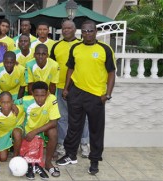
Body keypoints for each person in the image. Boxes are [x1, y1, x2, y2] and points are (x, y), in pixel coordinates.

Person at [56, 20, 116, 176]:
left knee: (96, 129)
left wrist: (107, 94)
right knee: (73, 125)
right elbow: (71, 69)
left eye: (90, 31)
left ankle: (94, 160)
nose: (87, 34)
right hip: (76, 93)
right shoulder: (76, 48)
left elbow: (111, 73)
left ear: (96, 32)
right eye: (84, 31)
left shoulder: (105, 49)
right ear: (80, 33)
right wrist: (67, 88)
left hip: (96, 95)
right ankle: (70, 154)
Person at [49, 20, 89, 158]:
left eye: (69, 28)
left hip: (79, 87)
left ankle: (84, 144)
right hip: (60, 87)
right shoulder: (56, 46)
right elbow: (51, 65)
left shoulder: (81, 45)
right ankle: (62, 144)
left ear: (75, 29)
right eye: (64, 28)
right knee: (62, 118)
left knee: (81, 117)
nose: (66, 30)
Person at [18, 81, 61, 178]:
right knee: (17, 132)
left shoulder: (52, 99)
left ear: (48, 93)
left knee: (53, 132)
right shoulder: (25, 100)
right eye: (36, 95)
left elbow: (54, 122)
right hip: (28, 130)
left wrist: (35, 132)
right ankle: (20, 161)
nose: (40, 99)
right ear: (32, 93)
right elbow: (12, 103)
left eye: (43, 95)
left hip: (42, 129)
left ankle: (48, 163)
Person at [0, 91, 24, 162]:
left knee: (17, 133)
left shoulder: (19, 109)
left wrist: (14, 105)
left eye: (8, 102)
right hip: (3, 133)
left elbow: (29, 101)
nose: (6, 105)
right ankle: (7, 145)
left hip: (15, 130)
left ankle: (15, 157)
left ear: (12, 102)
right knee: (2, 158)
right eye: (3, 102)